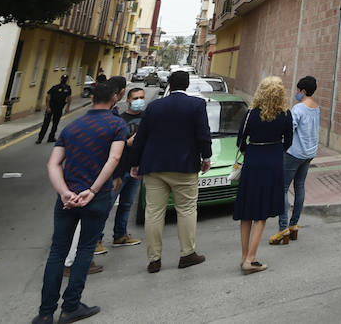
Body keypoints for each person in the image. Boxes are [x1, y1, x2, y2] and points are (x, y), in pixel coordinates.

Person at [32, 80, 127, 324]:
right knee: (85, 249)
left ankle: (44, 313)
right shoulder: (116, 125)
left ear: (92, 98)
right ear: (115, 98)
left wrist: (64, 192)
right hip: (95, 197)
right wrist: (93, 190)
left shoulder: (72, 127)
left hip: (67, 198)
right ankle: (70, 307)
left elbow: (53, 164)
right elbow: (114, 159)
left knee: (57, 252)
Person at [127, 69, 211, 274]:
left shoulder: (154, 107)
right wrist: (206, 157)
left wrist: (134, 163)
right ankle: (187, 254)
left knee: (154, 213)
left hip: (154, 166)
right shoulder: (196, 105)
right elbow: (203, 134)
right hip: (184, 167)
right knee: (187, 209)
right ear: (187, 85)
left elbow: (141, 137)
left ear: (170, 86)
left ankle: (154, 259)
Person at [233, 76, 292, 274]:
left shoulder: (250, 114)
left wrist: (250, 152)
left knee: (247, 211)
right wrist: (275, 150)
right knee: (262, 213)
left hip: (253, 161)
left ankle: (244, 256)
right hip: (273, 162)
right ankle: (251, 258)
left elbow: (240, 141)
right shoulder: (285, 115)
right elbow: (288, 142)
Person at [271, 75, 319, 246]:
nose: (296, 93)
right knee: (299, 187)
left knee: (282, 188)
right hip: (309, 153)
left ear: (303, 91)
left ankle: (283, 228)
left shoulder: (298, 109)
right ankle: (294, 225)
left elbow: (289, 130)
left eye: (298, 90)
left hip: (294, 153)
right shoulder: (315, 107)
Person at [108, 87, 148, 248]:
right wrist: (127, 143)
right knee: (108, 205)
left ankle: (120, 235)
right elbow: (111, 145)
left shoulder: (146, 119)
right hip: (121, 169)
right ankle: (96, 239)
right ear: (128, 101)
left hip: (137, 169)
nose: (140, 101)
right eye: (136, 98)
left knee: (126, 204)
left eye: (142, 98)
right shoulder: (120, 120)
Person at [38, 75, 74, 144]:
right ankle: (40, 138)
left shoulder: (68, 88)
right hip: (51, 107)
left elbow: (69, 98)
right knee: (46, 123)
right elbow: (48, 97)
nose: (64, 80)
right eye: (63, 78)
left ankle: (51, 137)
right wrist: (48, 107)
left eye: (65, 79)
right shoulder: (55, 87)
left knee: (55, 123)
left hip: (59, 108)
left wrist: (68, 107)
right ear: (61, 79)